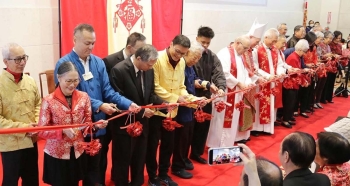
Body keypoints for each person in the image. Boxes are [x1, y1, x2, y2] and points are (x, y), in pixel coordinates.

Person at [55, 23, 140, 186]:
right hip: (78, 125)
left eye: (93, 43)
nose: (91, 47)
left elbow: (108, 90)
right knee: (79, 166)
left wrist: (128, 104)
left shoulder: (98, 62)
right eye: (87, 43)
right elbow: (71, 94)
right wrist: (99, 105)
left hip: (100, 123)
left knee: (98, 164)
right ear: (74, 40)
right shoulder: (64, 63)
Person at [38, 61, 107, 186]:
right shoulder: (48, 100)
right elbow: (41, 130)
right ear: (59, 78)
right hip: (57, 153)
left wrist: (95, 125)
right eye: (68, 81)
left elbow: (87, 123)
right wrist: (62, 131)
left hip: (77, 150)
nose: (72, 85)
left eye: (76, 80)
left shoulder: (83, 97)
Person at [146, 35, 202, 186]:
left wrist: (191, 99)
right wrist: (175, 98)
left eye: (183, 53)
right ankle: (152, 176)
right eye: (177, 51)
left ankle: (164, 174)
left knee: (168, 145)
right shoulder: (157, 59)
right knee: (152, 147)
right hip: (157, 110)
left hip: (173, 112)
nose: (179, 56)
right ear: (170, 44)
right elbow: (155, 86)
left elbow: (181, 86)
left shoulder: (182, 62)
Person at [109, 44, 165, 186]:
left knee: (139, 160)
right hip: (124, 126)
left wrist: (164, 104)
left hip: (143, 125)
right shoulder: (119, 70)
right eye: (149, 64)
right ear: (139, 58)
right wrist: (141, 112)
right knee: (122, 161)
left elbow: (150, 94)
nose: (151, 67)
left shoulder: (149, 71)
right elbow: (116, 99)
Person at [101, 32, 146, 182]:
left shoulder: (143, 63)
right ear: (129, 47)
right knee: (113, 150)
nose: (142, 52)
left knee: (132, 152)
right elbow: (108, 89)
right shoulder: (111, 61)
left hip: (134, 113)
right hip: (114, 113)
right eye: (140, 49)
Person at [0, 43, 41, 186]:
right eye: (17, 59)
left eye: (24, 58)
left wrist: (36, 125)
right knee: (10, 181)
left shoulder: (30, 81)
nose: (22, 62)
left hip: (31, 140)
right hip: (10, 145)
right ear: (6, 62)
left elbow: (38, 104)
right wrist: (24, 128)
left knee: (32, 180)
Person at [207, 35, 257, 148]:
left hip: (237, 94)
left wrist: (248, 82)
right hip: (225, 93)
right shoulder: (224, 53)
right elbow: (223, 73)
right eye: (245, 48)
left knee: (233, 122)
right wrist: (239, 83)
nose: (245, 51)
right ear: (238, 42)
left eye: (247, 49)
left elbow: (245, 72)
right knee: (221, 121)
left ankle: (227, 144)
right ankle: (216, 145)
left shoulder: (240, 55)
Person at [191, 26, 226, 164]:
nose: (205, 46)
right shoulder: (189, 53)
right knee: (188, 130)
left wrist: (221, 87)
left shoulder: (211, 56)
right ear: (196, 39)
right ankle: (181, 159)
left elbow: (218, 73)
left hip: (205, 97)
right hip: (190, 97)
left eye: (207, 43)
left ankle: (197, 153)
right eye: (202, 42)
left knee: (203, 127)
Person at [171, 41, 205, 179]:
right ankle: (177, 166)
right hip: (182, 106)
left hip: (190, 104)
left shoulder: (190, 66)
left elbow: (194, 81)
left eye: (198, 58)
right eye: (194, 57)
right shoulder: (181, 65)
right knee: (181, 138)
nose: (196, 60)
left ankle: (184, 159)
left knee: (188, 136)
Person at [253, 28, 286, 135]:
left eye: (276, 41)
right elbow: (255, 68)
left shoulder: (275, 49)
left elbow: (280, 64)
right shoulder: (257, 49)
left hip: (272, 83)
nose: (274, 43)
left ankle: (267, 128)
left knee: (270, 105)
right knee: (259, 104)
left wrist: (280, 72)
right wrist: (267, 76)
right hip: (262, 82)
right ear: (266, 37)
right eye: (273, 40)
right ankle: (257, 128)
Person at [244, 19, 267, 137]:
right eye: (256, 41)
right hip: (244, 84)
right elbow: (243, 67)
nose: (257, 44)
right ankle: (241, 135)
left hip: (252, 82)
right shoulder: (242, 50)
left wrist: (258, 76)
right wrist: (255, 78)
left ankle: (246, 134)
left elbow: (253, 67)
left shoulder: (250, 51)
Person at [281, 39, 310, 128]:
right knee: (289, 102)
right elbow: (294, 72)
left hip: (294, 83)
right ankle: (285, 119)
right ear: (300, 50)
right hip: (290, 83)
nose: (305, 54)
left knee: (292, 102)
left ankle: (289, 117)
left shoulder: (297, 57)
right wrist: (303, 78)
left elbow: (298, 70)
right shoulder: (293, 57)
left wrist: (303, 70)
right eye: (304, 51)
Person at [324, 30, 344, 103]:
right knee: (327, 81)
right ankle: (324, 97)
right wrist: (333, 55)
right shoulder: (330, 44)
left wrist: (339, 57)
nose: (338, 40)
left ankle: (329, 97)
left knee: (332, 81)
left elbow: (341, 54)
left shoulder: (339, 45)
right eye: (337, 38)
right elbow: (329, 53)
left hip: (335, 65)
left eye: (340, 38)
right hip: (329, 64)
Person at [318, 31, 334, 105]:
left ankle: (318, 100)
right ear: (325, 38)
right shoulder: (320, 45)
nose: (330, 40)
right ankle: (315, 101)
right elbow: (319, 56)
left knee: (322, 85)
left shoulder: (328, 46)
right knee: (318, 85)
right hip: (320, 67)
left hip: (326, 67)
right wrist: (326, 56)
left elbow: (329, 54)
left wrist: (330, 56)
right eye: (329, 38)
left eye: (331, 38)